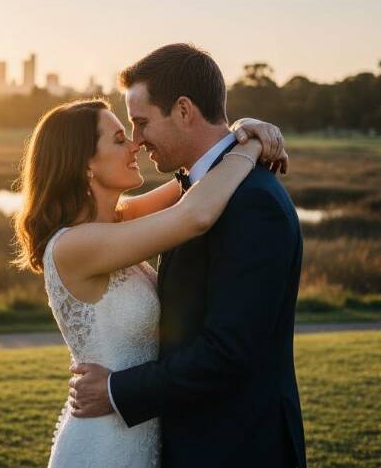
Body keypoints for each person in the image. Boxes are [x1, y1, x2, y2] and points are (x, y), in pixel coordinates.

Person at [52, 43, 305, 467]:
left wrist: (117, 390)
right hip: (160, 439)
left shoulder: (250, 201)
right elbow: (194, 211)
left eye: (140, 123)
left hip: (237, 446)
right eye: (122, 135)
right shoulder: (191, 198)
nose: (135, 141)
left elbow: (229, 350)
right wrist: (246, 142)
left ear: (184, 110)